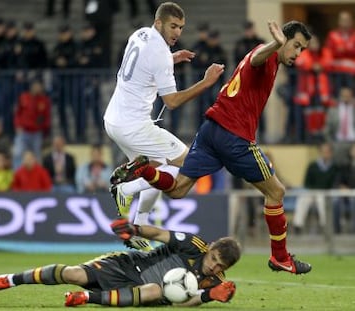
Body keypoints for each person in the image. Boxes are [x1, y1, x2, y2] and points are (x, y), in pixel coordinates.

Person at [111, 20, 313, 274]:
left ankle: (144, 171)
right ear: (283, 40)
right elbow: (256, 59)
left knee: (177, 190)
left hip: (211, 130)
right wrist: (276, 44)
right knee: (276, 192)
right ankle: (281, 257)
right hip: (235, 137)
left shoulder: (269, 58)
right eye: (295, 46)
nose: (297, 53)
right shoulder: (267, 54)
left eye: (301, 50)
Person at [104, 2, 225, 251]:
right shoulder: (159, 53)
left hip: (114, 120)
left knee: (157, 171)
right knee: (186, 161)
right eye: (173, 26)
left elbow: (144, 64)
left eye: (181, 27)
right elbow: (171, 102)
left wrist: (172, 59)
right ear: (159, 23)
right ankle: (127, 187)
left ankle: (138, 228)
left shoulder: (139, 34)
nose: (178, 32)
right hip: (134, 126)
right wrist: (206, 82)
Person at [0, 219, 240, 307]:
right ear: (211, 248)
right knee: (72, 273)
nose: (214, 268)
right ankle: (9, 280)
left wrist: (208, 297)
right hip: (128, 265)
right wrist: (133, 229)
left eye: (220, 267)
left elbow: (186, 301)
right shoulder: (193, 244)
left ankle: (85, 299)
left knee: (156, 290)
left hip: (147, 291)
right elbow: (160, 234)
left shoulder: (216, 283)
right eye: (214, 260)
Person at [292, 142, 338, 234]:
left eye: (327, 152)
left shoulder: (334, 167)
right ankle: (298, 225)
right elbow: (307, 183)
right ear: (320, 152)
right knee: (303, 199)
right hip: (312, 191)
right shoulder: (312, 166)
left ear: (331, 153)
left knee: (322, 200)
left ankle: (325, 226)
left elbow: (334, 183)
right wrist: (314, 190)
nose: (325, 154)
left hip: (326, 193)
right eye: (323, 152)